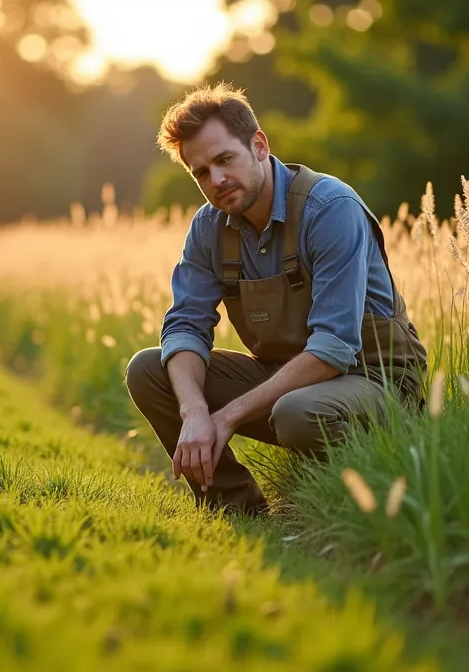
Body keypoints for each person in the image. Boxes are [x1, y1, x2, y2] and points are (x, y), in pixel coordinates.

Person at [123, 83, 429, 516]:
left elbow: (333, 347)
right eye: (201, 173)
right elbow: (186, 324)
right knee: (149, 369)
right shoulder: (209, 228)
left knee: (296, 412)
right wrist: (193, 410)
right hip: (285, 382)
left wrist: (227, 416)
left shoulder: (330, 208)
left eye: (224, 159)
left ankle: (343, 511)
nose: (216, 180)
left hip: (375, 383)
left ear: (259, 145)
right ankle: (234, 507)